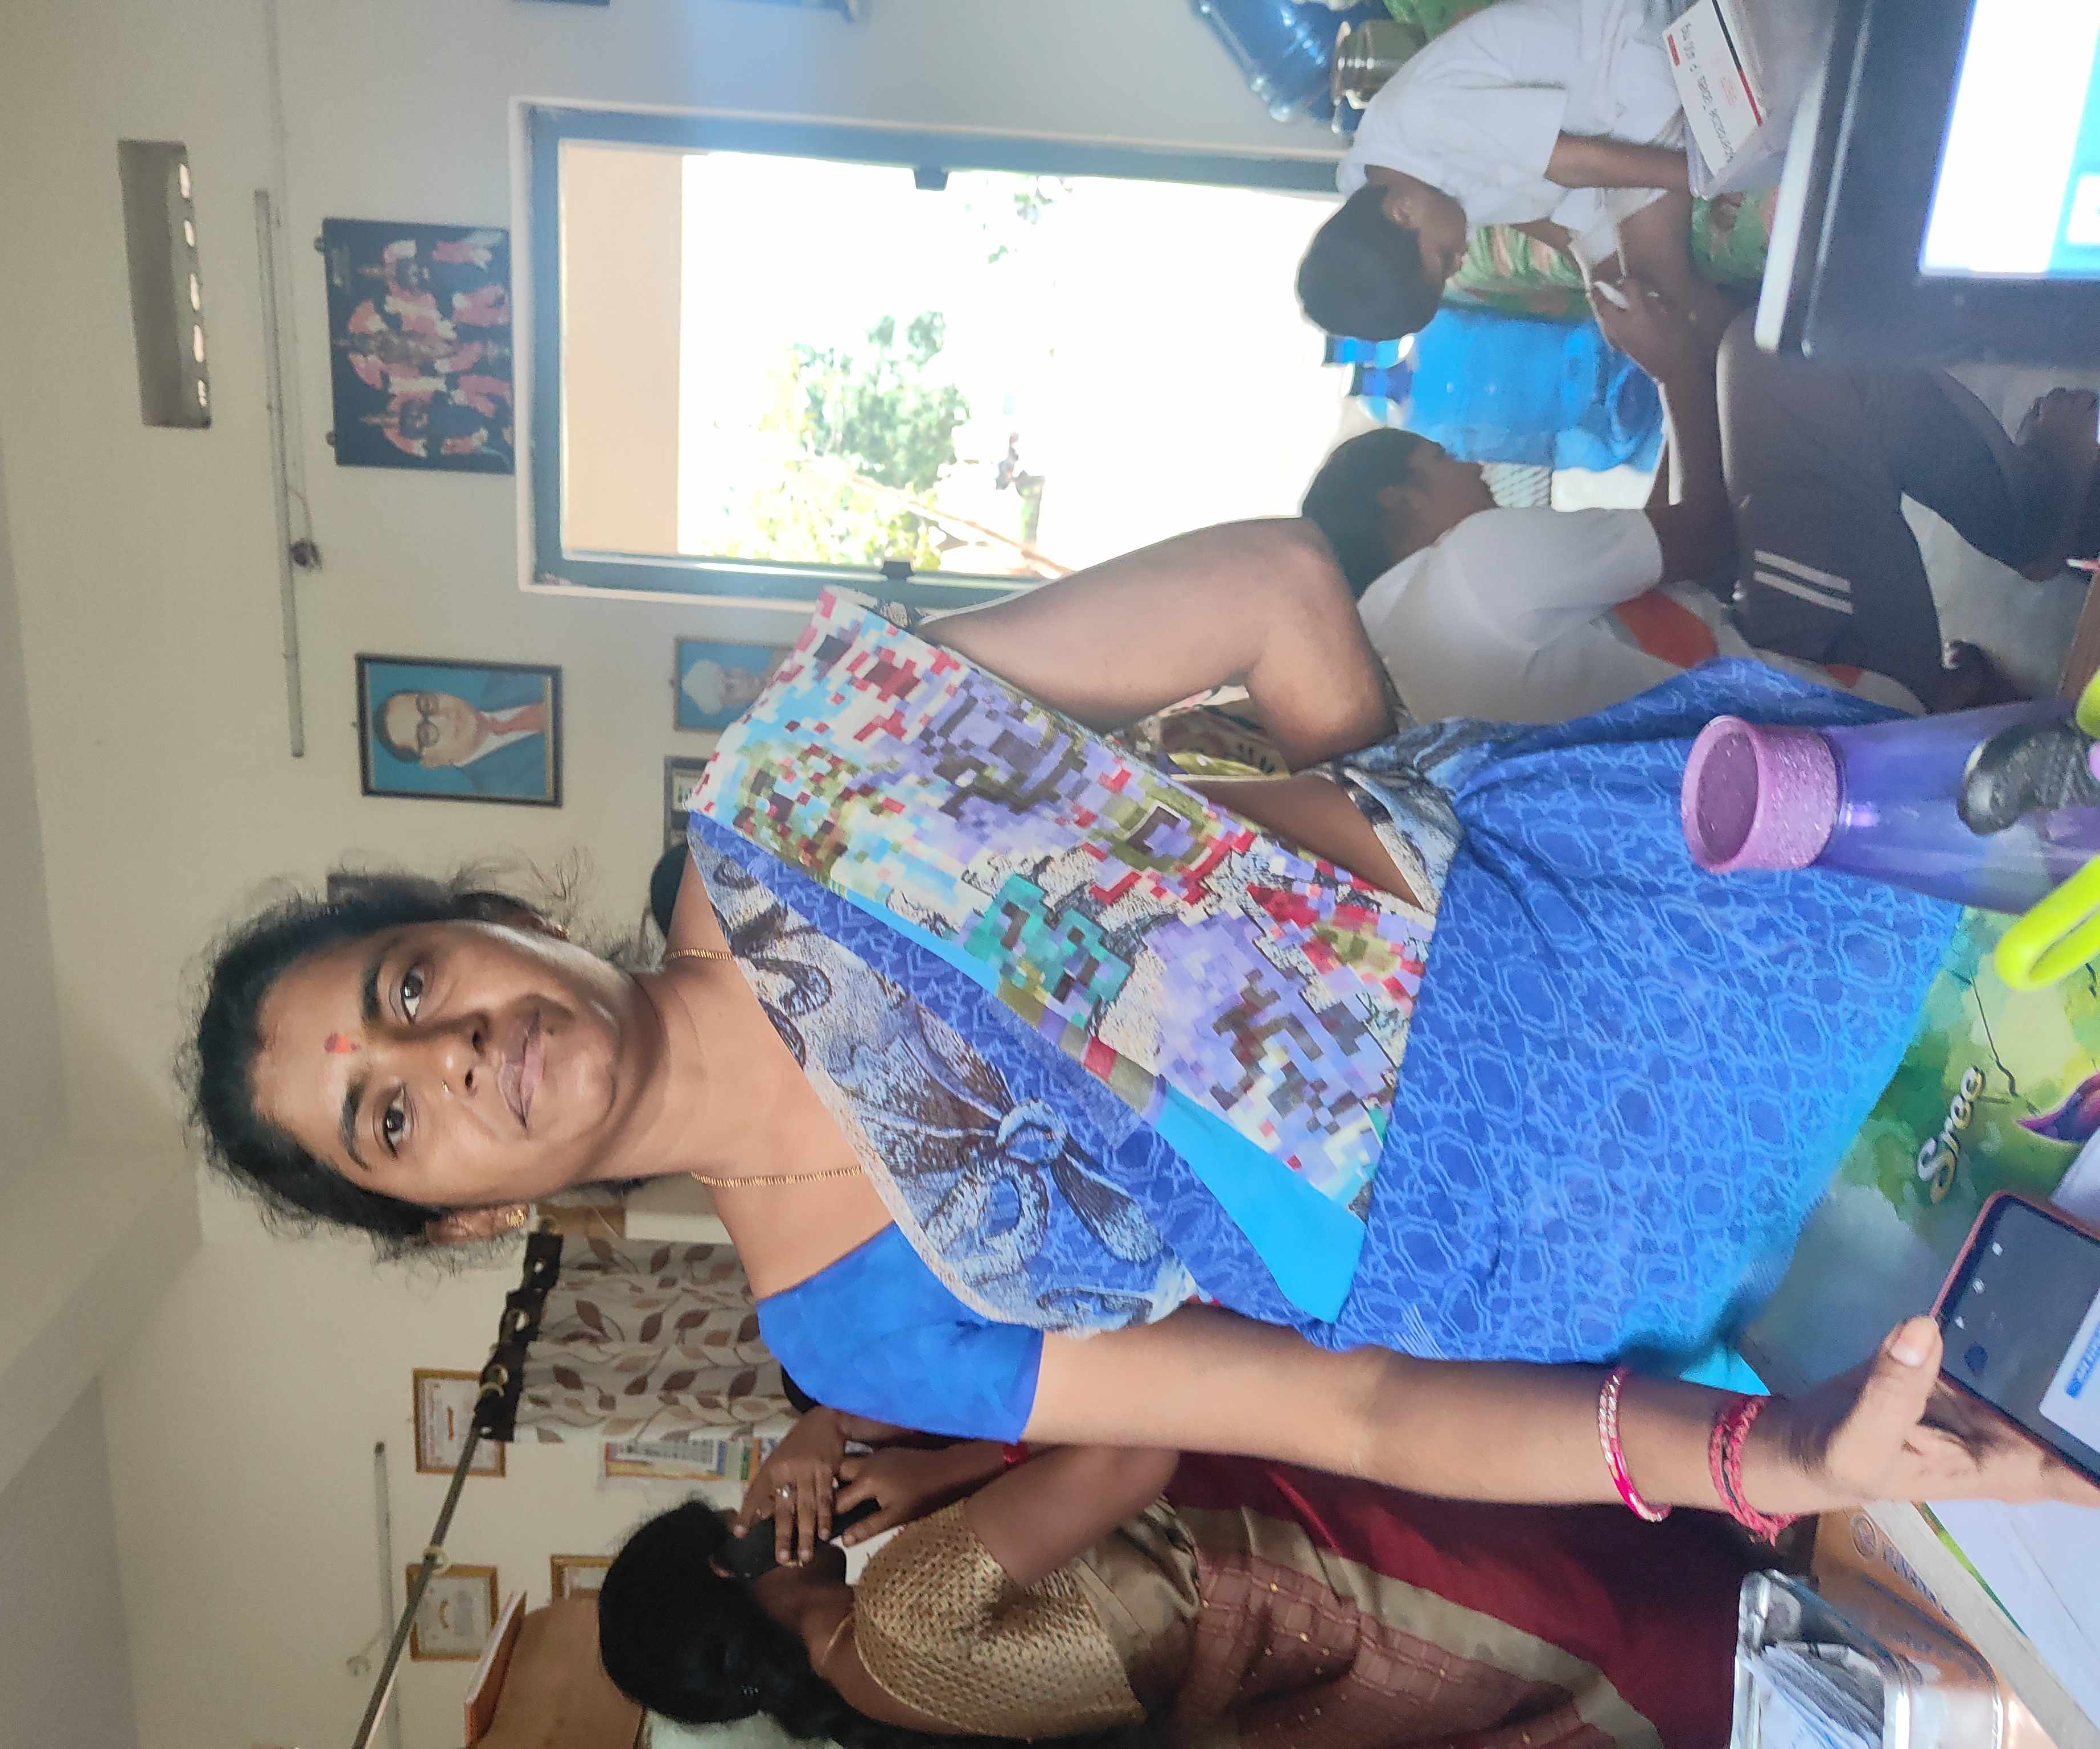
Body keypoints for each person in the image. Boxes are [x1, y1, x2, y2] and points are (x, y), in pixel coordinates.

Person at [187, 512, 2100, 1522]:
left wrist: (1386, 847)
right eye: (390, 1119)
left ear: (491, 921)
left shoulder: (802, 782)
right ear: (470, 1218)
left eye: (409, 987)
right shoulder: (847, 1329)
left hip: (1666, 928)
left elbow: (1269, 585)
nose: (448, 1054)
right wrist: (1764, 1463)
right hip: (1668, 1274)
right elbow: (1352, 1407)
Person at [600, 1420, 1754, 1749]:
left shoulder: (873, 1685)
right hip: (1313, 1577)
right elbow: (1130, 1449)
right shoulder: (898, 1610)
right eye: (739, 1517)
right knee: (1615, 1597)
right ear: (724, 1562)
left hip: (1296, 1658)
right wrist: (930, 1466)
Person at [1306, 287, 2094, 721]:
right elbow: (1705, 537)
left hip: (1777, 757)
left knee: (1736, 394)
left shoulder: (1410, 665)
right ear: (1398, 500)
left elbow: (1649, 560)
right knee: (1771, 352)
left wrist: (1672, 382)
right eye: (1444, 461)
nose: (1476, 469)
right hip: (1830, 704)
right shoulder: (1472, 572)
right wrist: (1684, 371)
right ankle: (2034, 518)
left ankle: (1934, 701)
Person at [1297, 0, 1725, 342]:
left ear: (1403, 212)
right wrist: (1594, 273)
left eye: (1444, 260)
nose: (1459, 261)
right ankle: (1724, 373)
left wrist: (1705, 177)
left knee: (1659, 291)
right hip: (1595, 126)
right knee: (1627, 311)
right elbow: (1528, 210)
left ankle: (1733, 368)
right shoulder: (1390, 187)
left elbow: (1575, 162)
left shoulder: (1421, 122)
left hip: (1625, 56)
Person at [372, 679, 550, 795]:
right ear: (433, 763)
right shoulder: (508, 793)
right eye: (426, 734)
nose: (443, 717)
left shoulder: (506, 678)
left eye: (427, 704)